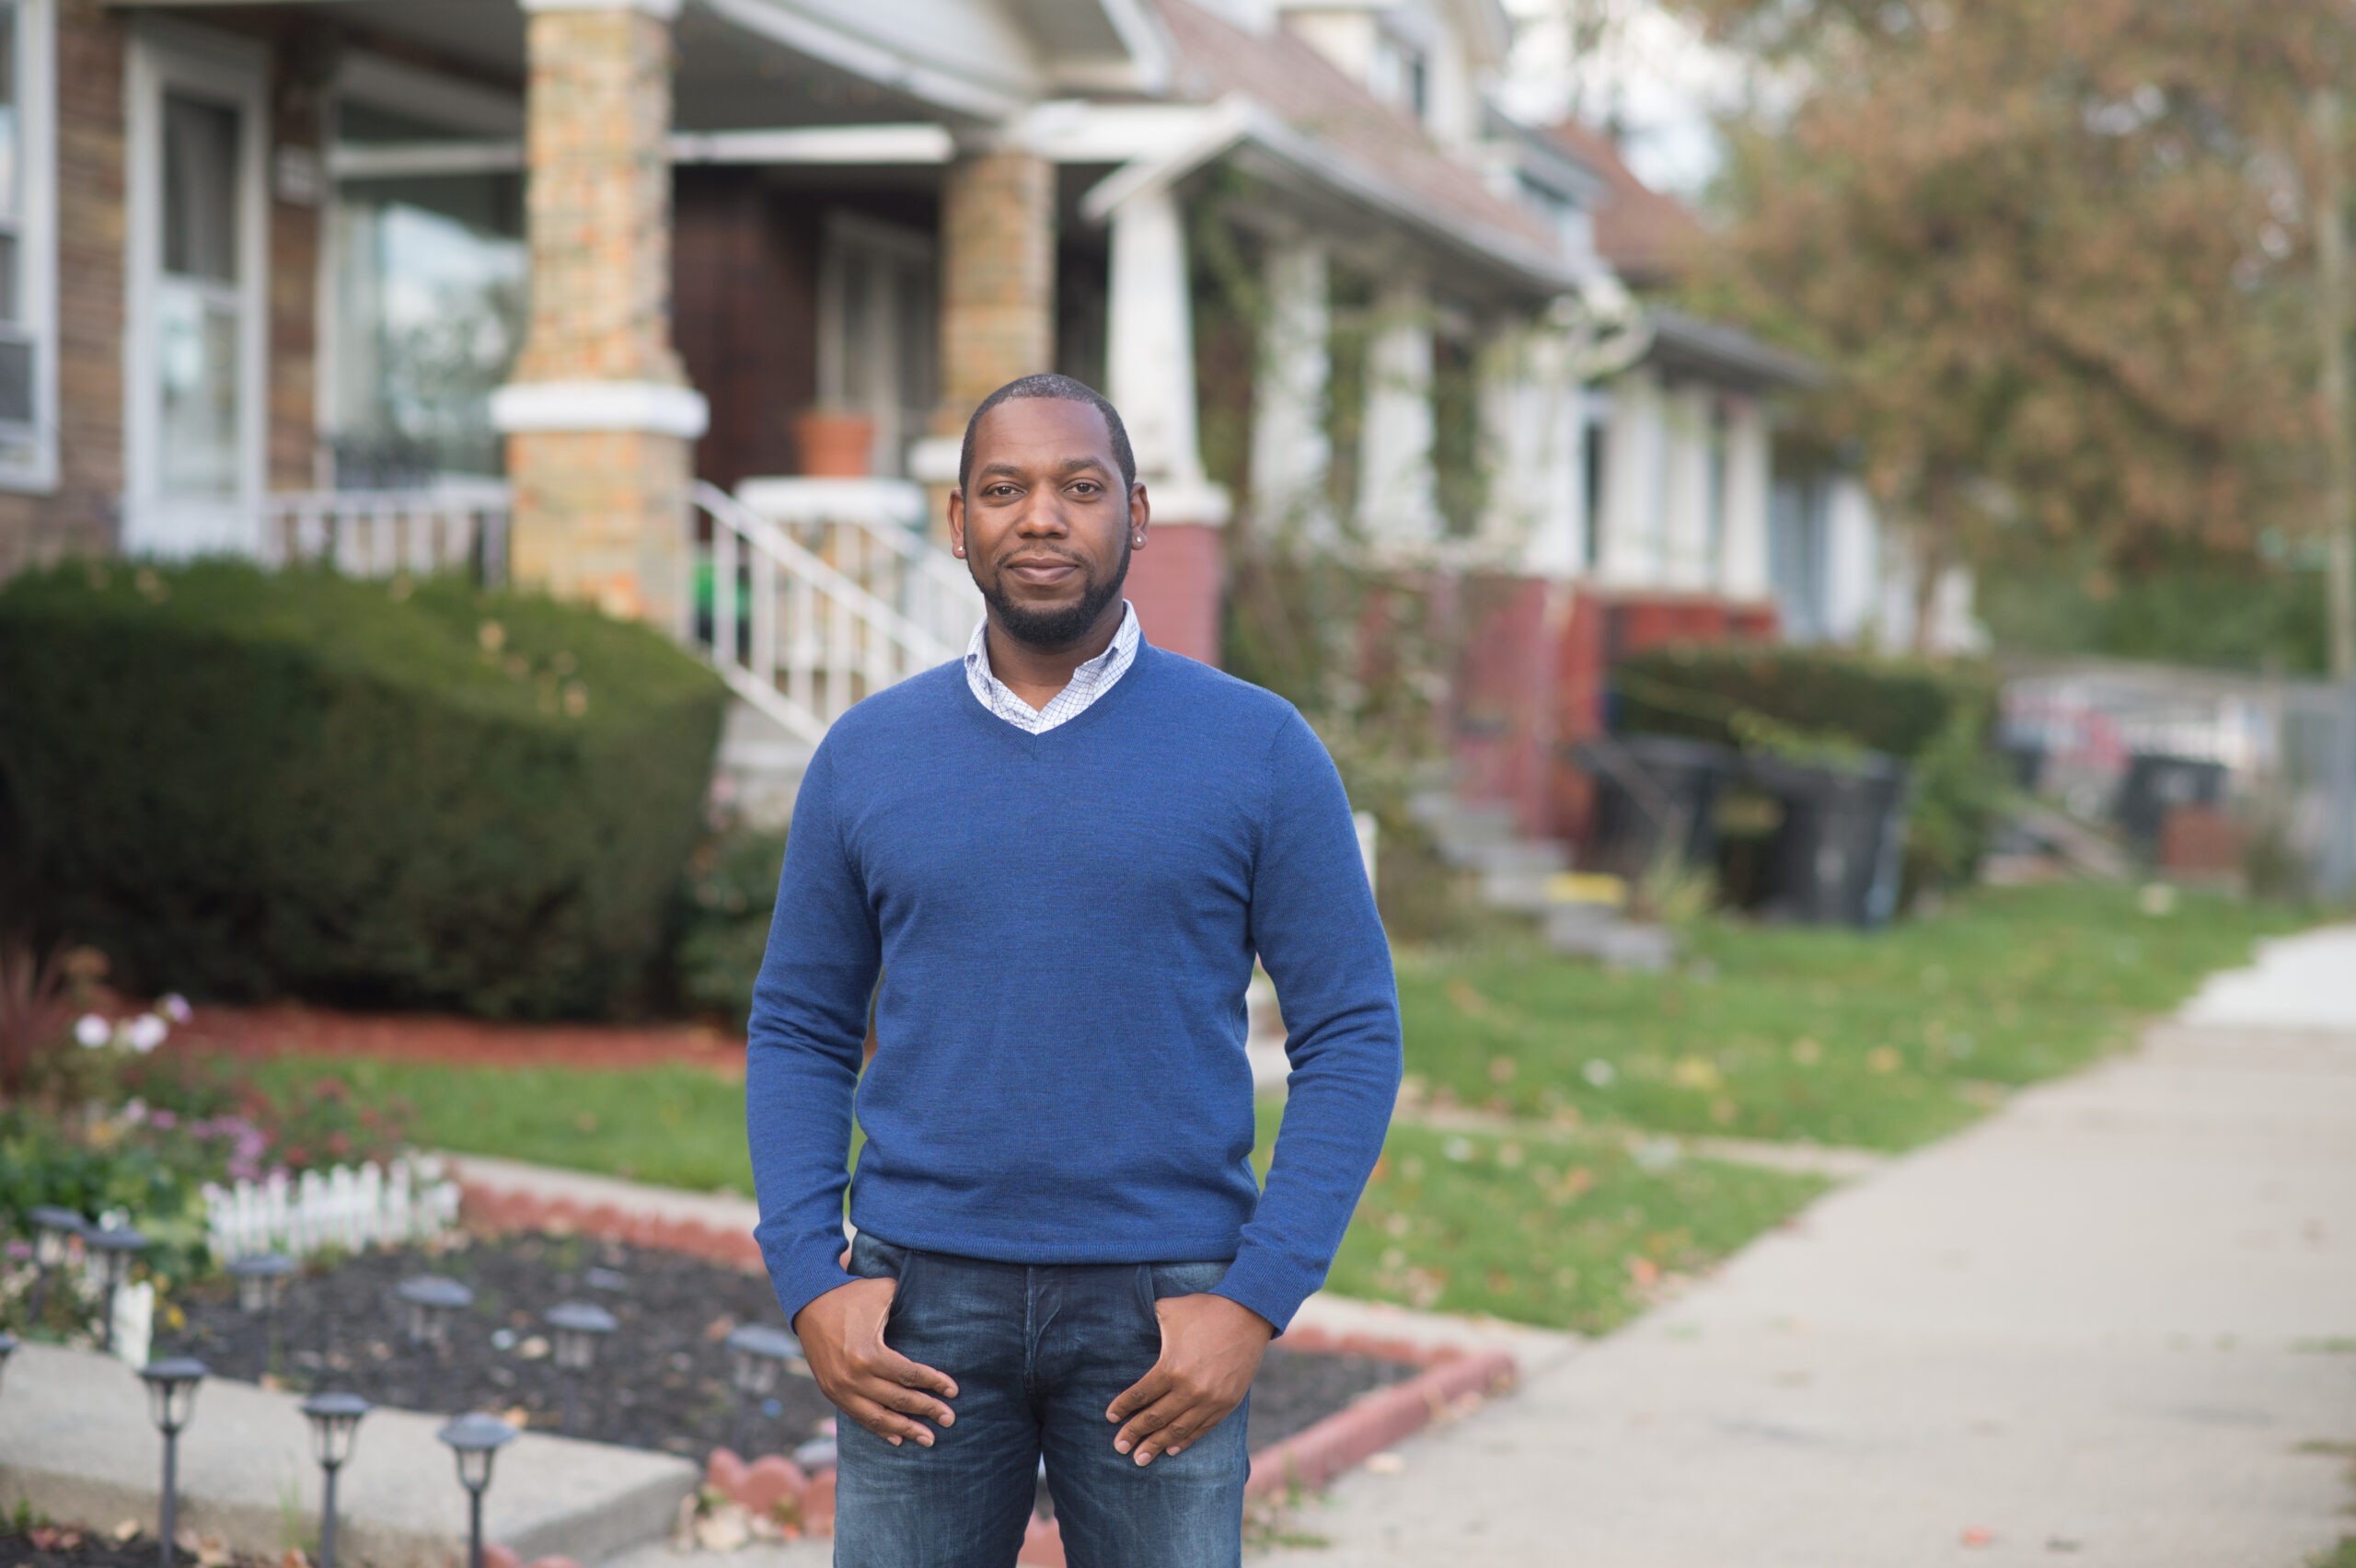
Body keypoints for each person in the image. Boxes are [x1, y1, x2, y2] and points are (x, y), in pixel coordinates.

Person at [746, 373, 1401, 1568]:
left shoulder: (1258, 748)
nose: (1040, 518)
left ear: (1137, 513)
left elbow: (1352, 1033)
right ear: (957, 523)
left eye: (1079, 488)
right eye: (1004, 489)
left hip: (1165, 1314)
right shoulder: (866, 755)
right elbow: (797, 1023)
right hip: (919, 1307)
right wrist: (808, 1273)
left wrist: (1254, 1302)